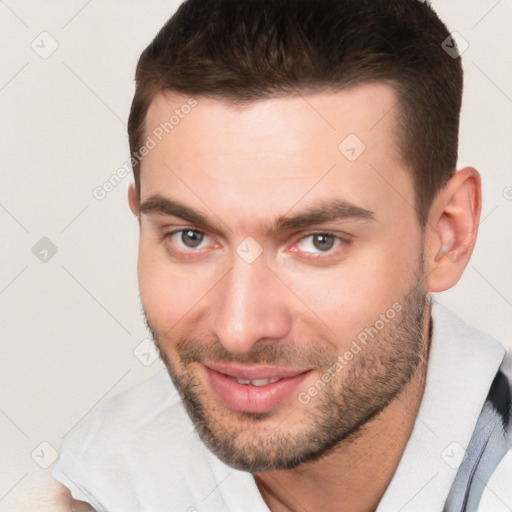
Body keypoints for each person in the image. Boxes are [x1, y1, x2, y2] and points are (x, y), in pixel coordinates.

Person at [52, 0, 512, 510]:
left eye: (319, 241)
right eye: (190, 236)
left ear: (447, 236)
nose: (240, 329)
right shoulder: (98, 479)